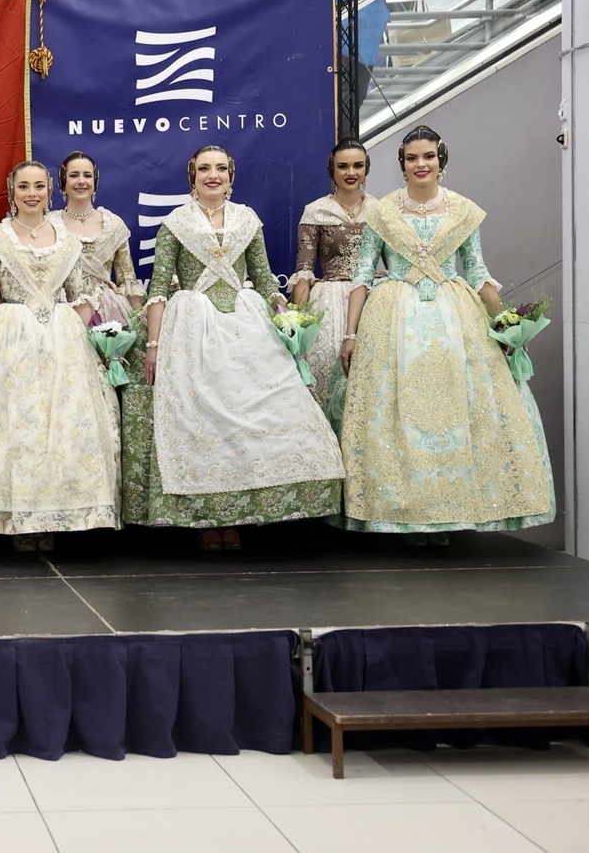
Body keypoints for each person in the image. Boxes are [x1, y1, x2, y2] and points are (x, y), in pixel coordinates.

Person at [338, 126, 553, 542]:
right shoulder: (381, 212)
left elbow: (477, 272)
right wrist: (350, 335)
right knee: (397, 415)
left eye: (428, 157)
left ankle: (449, 514)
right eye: (412, 158)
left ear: (441, 161)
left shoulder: (464, 211)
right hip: (392, 317)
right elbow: (363, 275)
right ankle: (410, 515)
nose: (421, 164)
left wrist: (507, 325)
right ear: (402, 164)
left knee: (460, 410)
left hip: (456, 317)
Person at [123, 145, 344, 550]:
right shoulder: (175, 224)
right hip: (192, 326)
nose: (213, 175)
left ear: (231, 175)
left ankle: (240, 516)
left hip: (246, 323)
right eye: (204, 169)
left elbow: (264, 279)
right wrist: (153, 344)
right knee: (201, 420)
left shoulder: (247, 220)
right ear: (192, 176)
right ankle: (205, 520)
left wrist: (287, 324)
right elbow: (158, 287)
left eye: (221, 168)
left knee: (262, 413)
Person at [0, 161, 121, 549]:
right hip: (10, 339)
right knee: (18, 430)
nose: (32, 193)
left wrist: (78, 339)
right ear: (12, 191)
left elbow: (80, 297)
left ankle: (55, 518)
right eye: (24, 186)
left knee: (62, 428)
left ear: (49, 191)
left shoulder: (68, 241)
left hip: (61, 341)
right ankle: (19, 521)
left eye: (39, 186)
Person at [289, 141, 377, 428]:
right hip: (329, 297)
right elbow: (304, 269)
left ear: (366, 168)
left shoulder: (380, 210)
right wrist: (297, 322)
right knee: (326, 366)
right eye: (343, 166)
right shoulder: (316, 211)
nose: (351, 172)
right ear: (332, 170)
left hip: (372, 296)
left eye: (358, 165)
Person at [57, 151, 143, 325]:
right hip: (64, 312)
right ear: (63, 181)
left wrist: (140, 324)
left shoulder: (113, 225)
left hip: (107, 312)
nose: (81, 181)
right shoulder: (50, 225)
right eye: (74, 175)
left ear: (95, 181)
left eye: (87, 175)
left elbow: (127, 280)